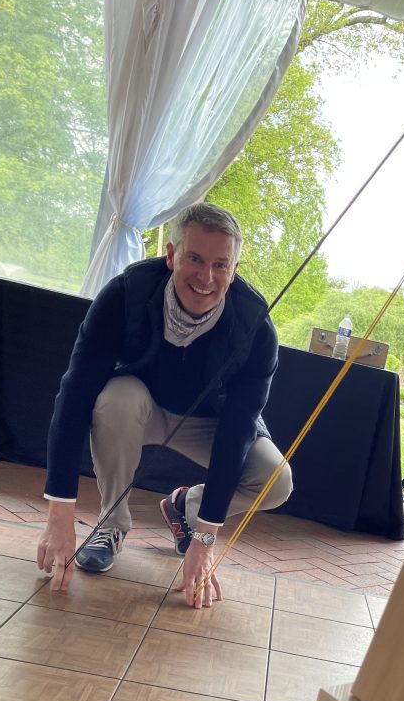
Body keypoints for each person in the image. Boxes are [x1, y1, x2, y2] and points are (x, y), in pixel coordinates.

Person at [36, 202, 292, 608]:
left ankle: (184, 507)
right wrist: (60, 518)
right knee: (114, 399)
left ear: (235, 270)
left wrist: (206, 536)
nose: (206, 278)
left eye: (220, 265)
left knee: (276, 480)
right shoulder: (125, 294)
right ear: (171, 256)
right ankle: (111, 524)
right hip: (140, 407)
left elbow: (237, 430)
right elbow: (74, 395)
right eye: (194, 258)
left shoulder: (256, 327)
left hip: (213, 422)